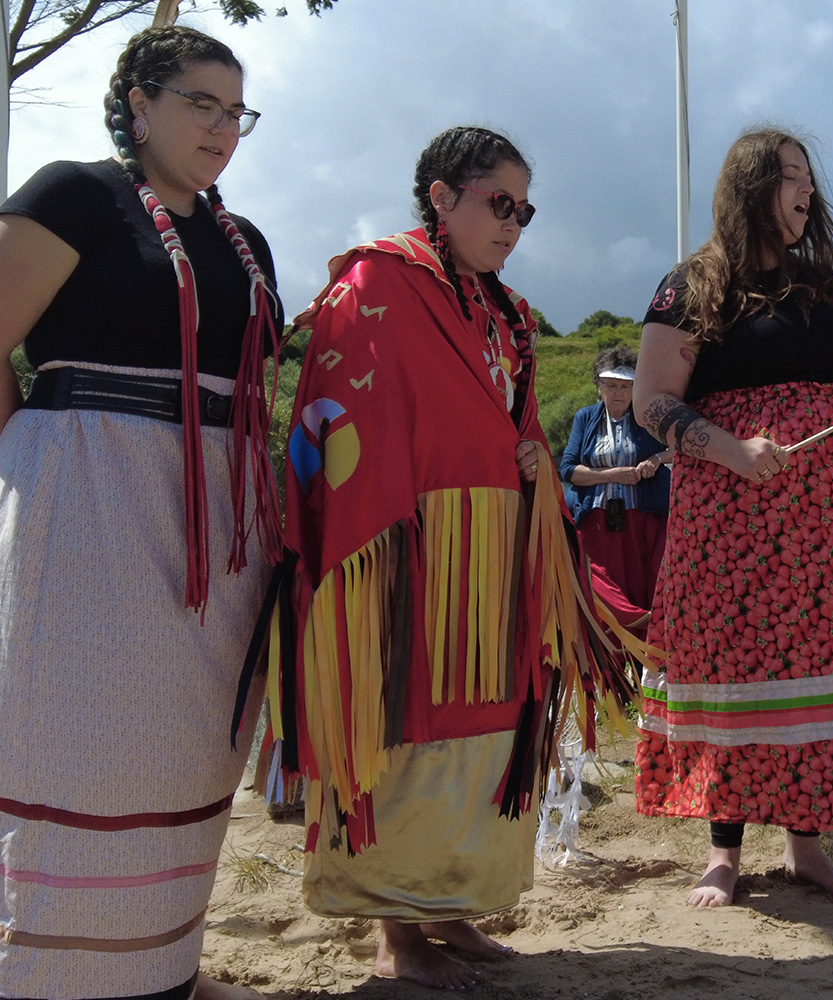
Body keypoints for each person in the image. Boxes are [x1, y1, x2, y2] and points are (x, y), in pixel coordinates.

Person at [271, 125, 635, 990]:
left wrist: (533, 459)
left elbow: (517, 422)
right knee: (408, 722)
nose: (513, 224)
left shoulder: (507, 314)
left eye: (525, 211)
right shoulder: (376, 283)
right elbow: (342, 414)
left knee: (485, 729)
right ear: (441, 195)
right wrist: (385, 545)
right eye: (499, 203)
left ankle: (447, 907)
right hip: (405, 551)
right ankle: (397, 932)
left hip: (495, 554)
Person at [0, 26, 282, 1000]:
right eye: (201, 103)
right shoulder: (73, 196)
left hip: (219, 517)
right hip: (86, 496)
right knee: (73, 735)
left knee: (187, 744)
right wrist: (32, 458)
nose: (222, 127)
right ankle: (45, 972)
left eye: (236, 111)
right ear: (139, 105)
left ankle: (165, 963)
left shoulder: (245, 241)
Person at [633, 127, 833, 909]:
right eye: (791, 175)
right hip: (733, 519)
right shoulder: (692, 285)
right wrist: (729, 449)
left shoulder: (821, 287)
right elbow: (653, 401)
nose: (808, 189)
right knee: (732, 666)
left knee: (814, 670)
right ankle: (723, 853)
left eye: (808, 176)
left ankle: (806, 850)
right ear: (753, 188)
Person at [561, 345, 671, 620]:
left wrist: (656, 459)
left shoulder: (647, 417)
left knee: (644, 581)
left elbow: (680, 446)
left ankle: (647, 637)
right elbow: (568, 470)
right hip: (596, 517)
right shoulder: (586, 417)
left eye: (624, 386)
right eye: (610, 385)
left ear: (635, 387)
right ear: (599, 387)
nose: (617, 393)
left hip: (643, 517)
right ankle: (611, 637)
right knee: (601, 581)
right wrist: (612, 475)